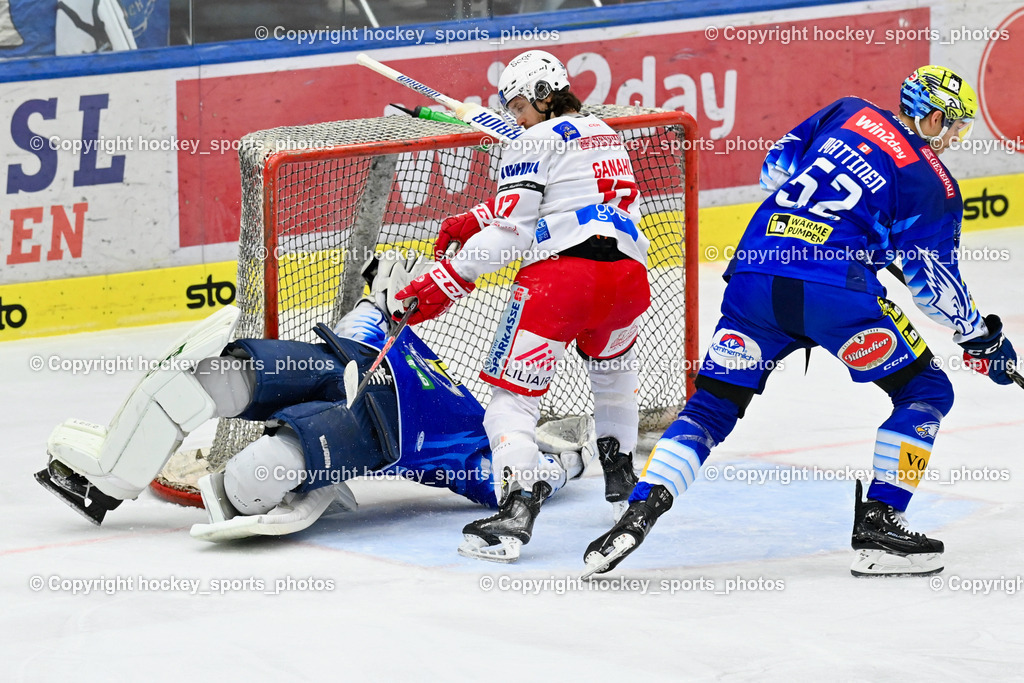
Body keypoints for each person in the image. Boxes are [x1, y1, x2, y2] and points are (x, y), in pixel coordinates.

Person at [583, 65, 1020, 578]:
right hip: (835, 295)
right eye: (955, 126)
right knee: (925, 390)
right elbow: (935, 286)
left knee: (713, 405)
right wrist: (982, 336)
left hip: (756, 277)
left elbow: (776, 170)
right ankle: (881, 522)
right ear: (935, 117)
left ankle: (640, 510)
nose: (953, 139)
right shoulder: (933, 182)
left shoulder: (847, 110)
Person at [36, 251, 594, 542]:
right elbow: (367, 325)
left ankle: (287, 479)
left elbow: (521, 480)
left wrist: (566, 460)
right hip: (333, 364)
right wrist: (382, 300)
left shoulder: (476, 453)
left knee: (252, 477)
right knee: (217, 375)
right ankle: (108, 479)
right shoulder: (435, 360)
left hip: (378, 428)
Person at [394, 49, 652, 563]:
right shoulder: (604, 132)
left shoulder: (531, 140)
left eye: (518, 105)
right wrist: (473, 218)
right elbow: (566, 197)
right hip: (628, 282)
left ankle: (515, 513)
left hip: (561, 285)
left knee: (510, 405)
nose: (515, 118)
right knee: (614, 376)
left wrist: (442, 282)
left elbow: (511, 236)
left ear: (541, 94)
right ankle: (622, 482)